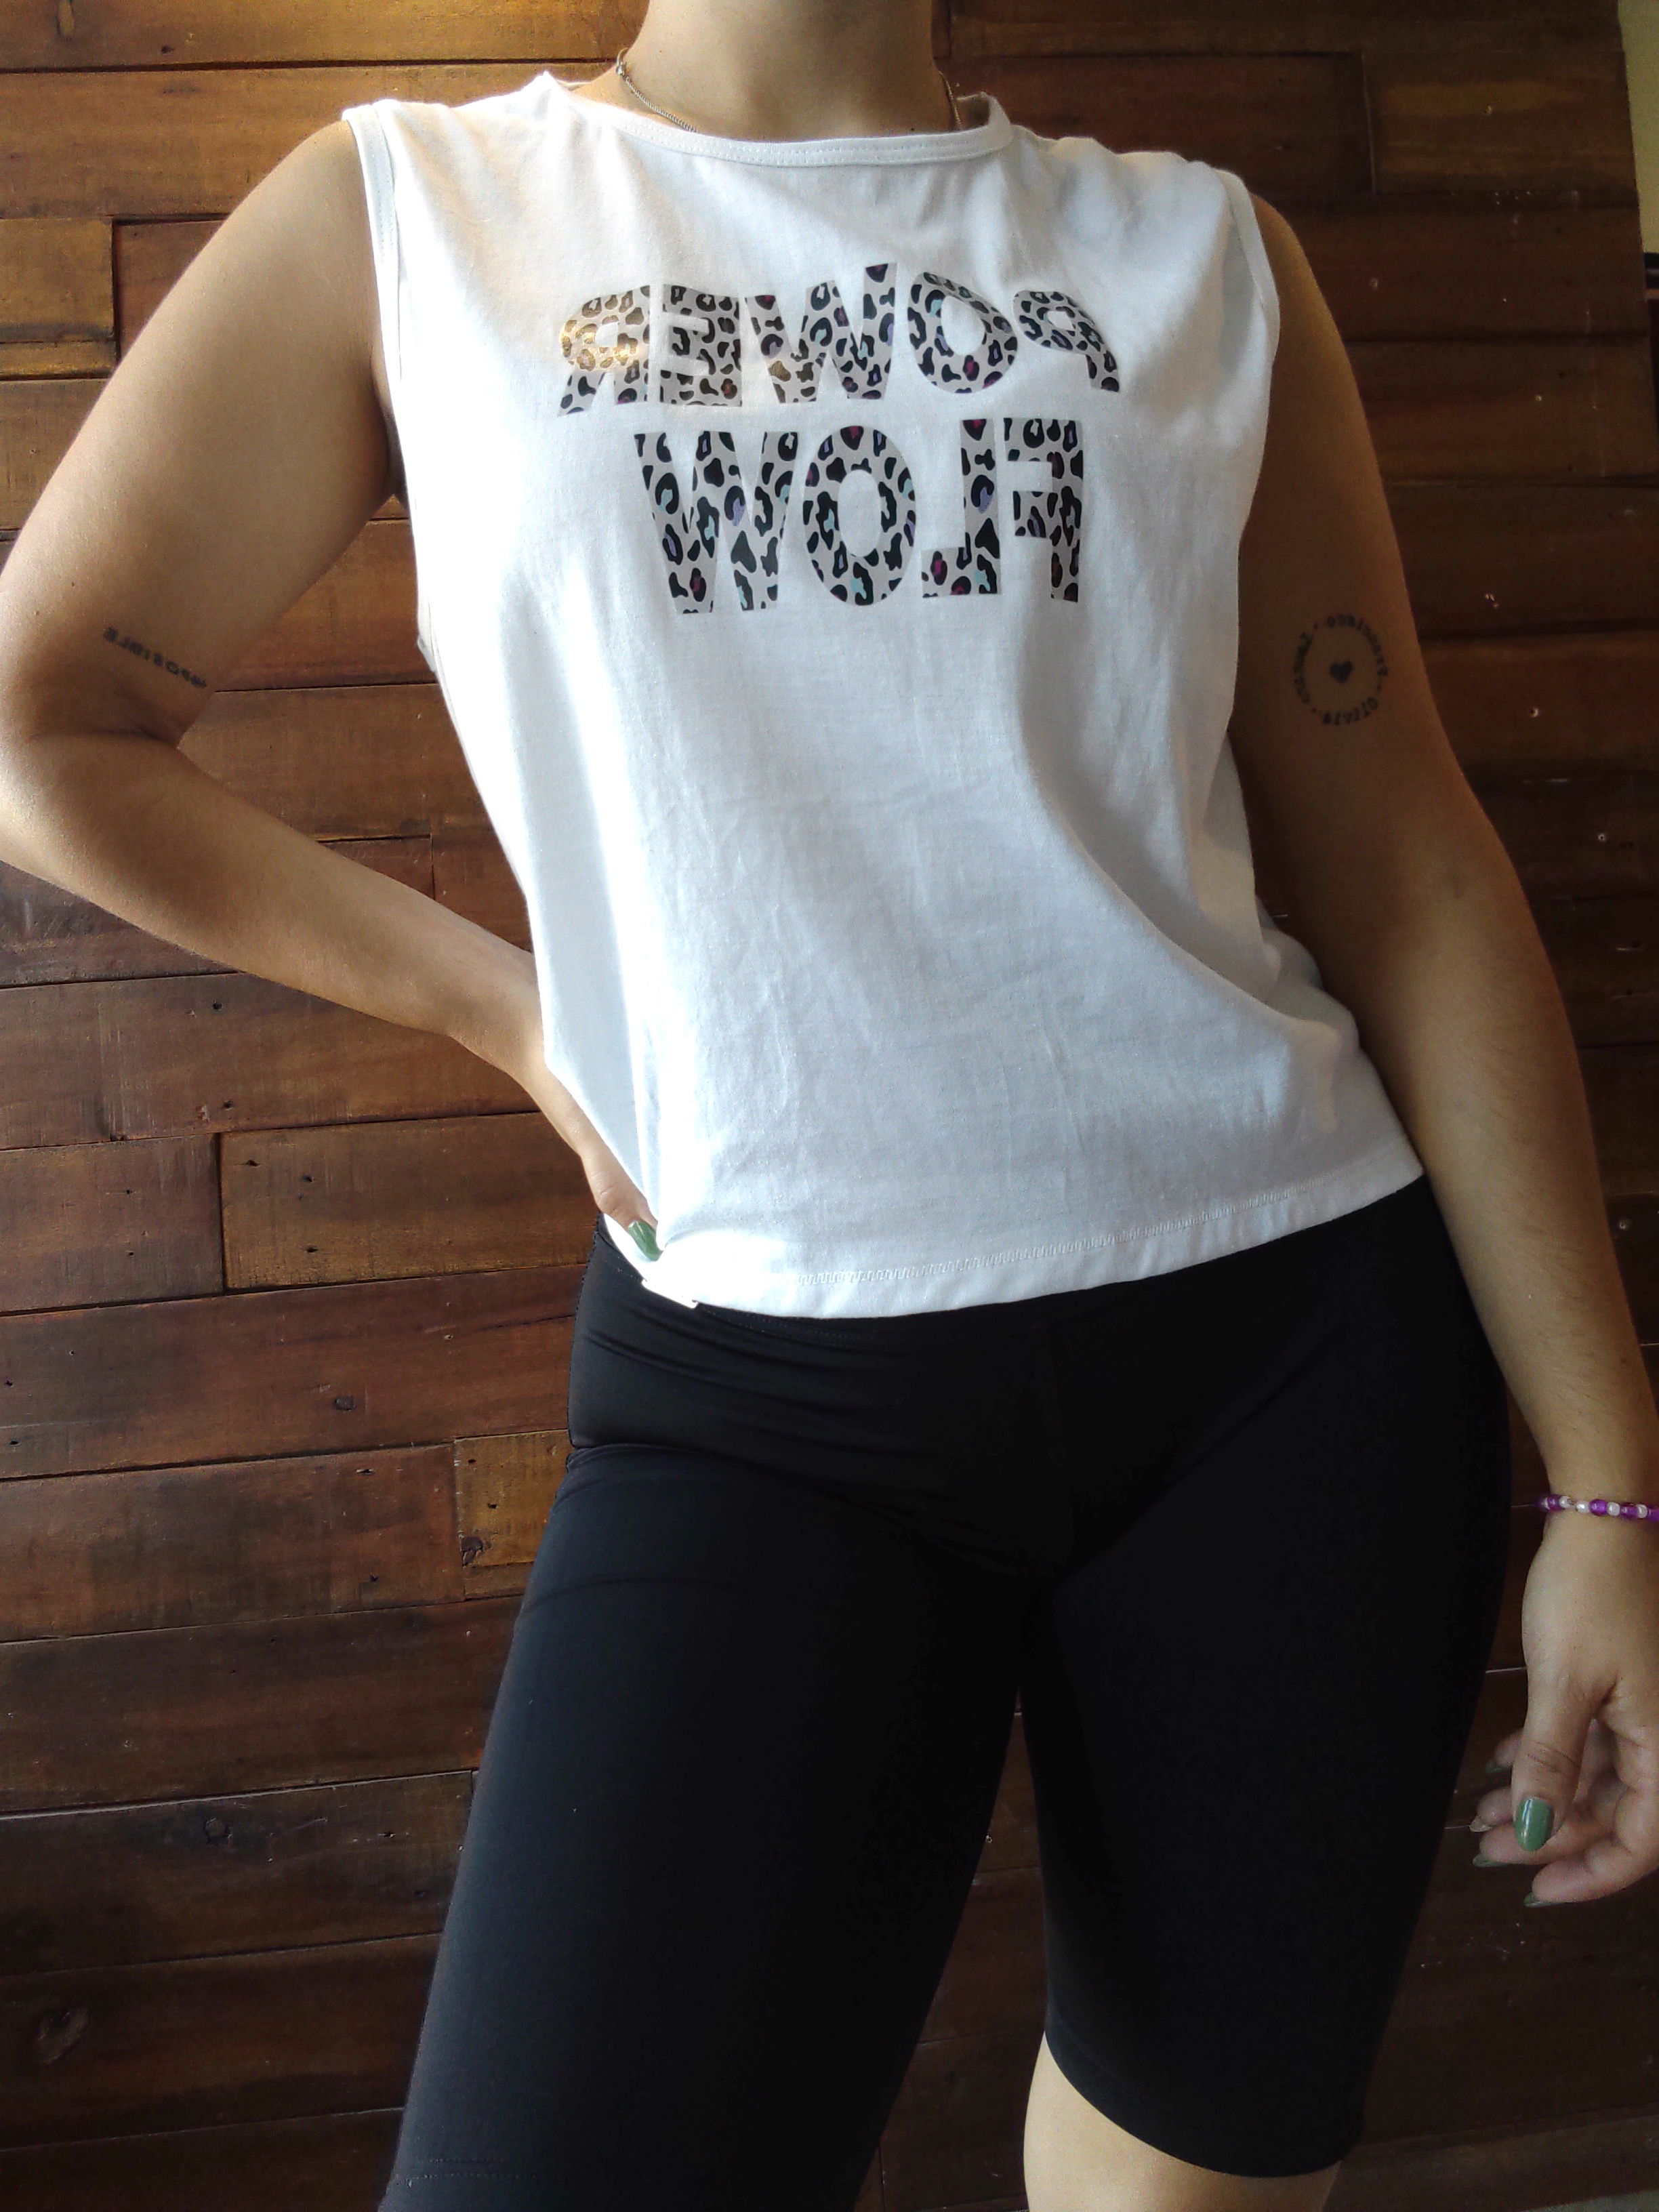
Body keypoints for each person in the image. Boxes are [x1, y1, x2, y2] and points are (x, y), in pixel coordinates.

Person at [1, 3, 1656, 2207]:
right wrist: (508, 1012)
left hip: (1286, 1364)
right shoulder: (412, 215)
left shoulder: (1199, 253)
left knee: (1194, 2173)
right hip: (760, 1395)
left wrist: (1612, 1486)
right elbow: (42, 722)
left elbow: (1408, 863)